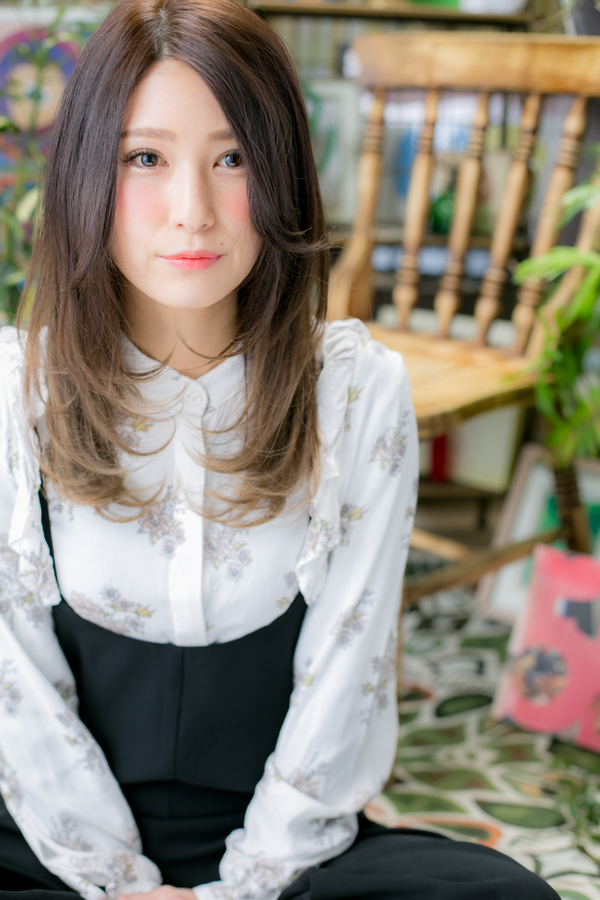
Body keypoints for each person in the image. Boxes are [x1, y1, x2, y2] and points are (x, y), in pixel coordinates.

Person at [0, 1, 559, 898]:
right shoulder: (16, 391)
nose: (193, 212)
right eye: (145, 158)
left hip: (282, 851)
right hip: (52, 842)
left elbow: (347, 674)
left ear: (282, 174)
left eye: (233, 159)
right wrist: (122, 886)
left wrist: (248, 887)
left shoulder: (355, 391)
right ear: (86, 173)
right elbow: (15, 686)